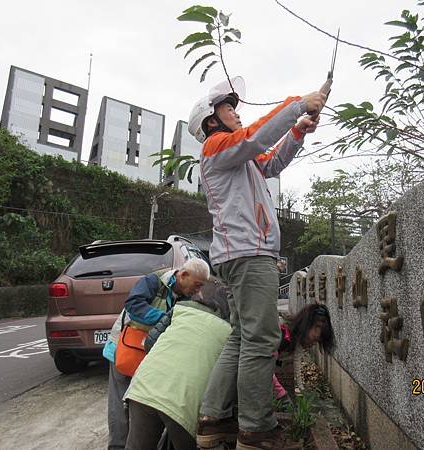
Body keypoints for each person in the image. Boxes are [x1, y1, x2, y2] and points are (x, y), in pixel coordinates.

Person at [188, 76, 327, 450]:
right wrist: (299, 103)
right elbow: (256, 137)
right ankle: (255, 428)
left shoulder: (236, 158)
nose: (235, 111)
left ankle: (213, 418)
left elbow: (272, 160)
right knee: (262, 339)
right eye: (227, 107)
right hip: (249, 254)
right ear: (210, 121)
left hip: (237, 256)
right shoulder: (219, 146)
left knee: (241, 336)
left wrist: (298, 130)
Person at [103, 258, 210, 450]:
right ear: (184, 275)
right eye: (197, 285)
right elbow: (133, 305)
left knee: (141, 405)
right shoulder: (154, 281)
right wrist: (167, 318)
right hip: (124, 349)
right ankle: (117, 447)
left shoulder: (188, 299)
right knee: (119, 407)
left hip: (151, 356)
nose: (198, 291)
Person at [123, 276, 232, 450]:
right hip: (182, 402)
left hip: (143, 388)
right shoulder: (230, 333)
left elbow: (150, 342)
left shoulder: (180, 310)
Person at [273, 303, 336, 408]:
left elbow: (296, 360)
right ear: (307, 326)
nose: (313, 345)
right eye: (315, 340)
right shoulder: (282, 336)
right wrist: (282, 395)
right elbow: (264, 369)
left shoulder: (296, 337)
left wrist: (301, 388)